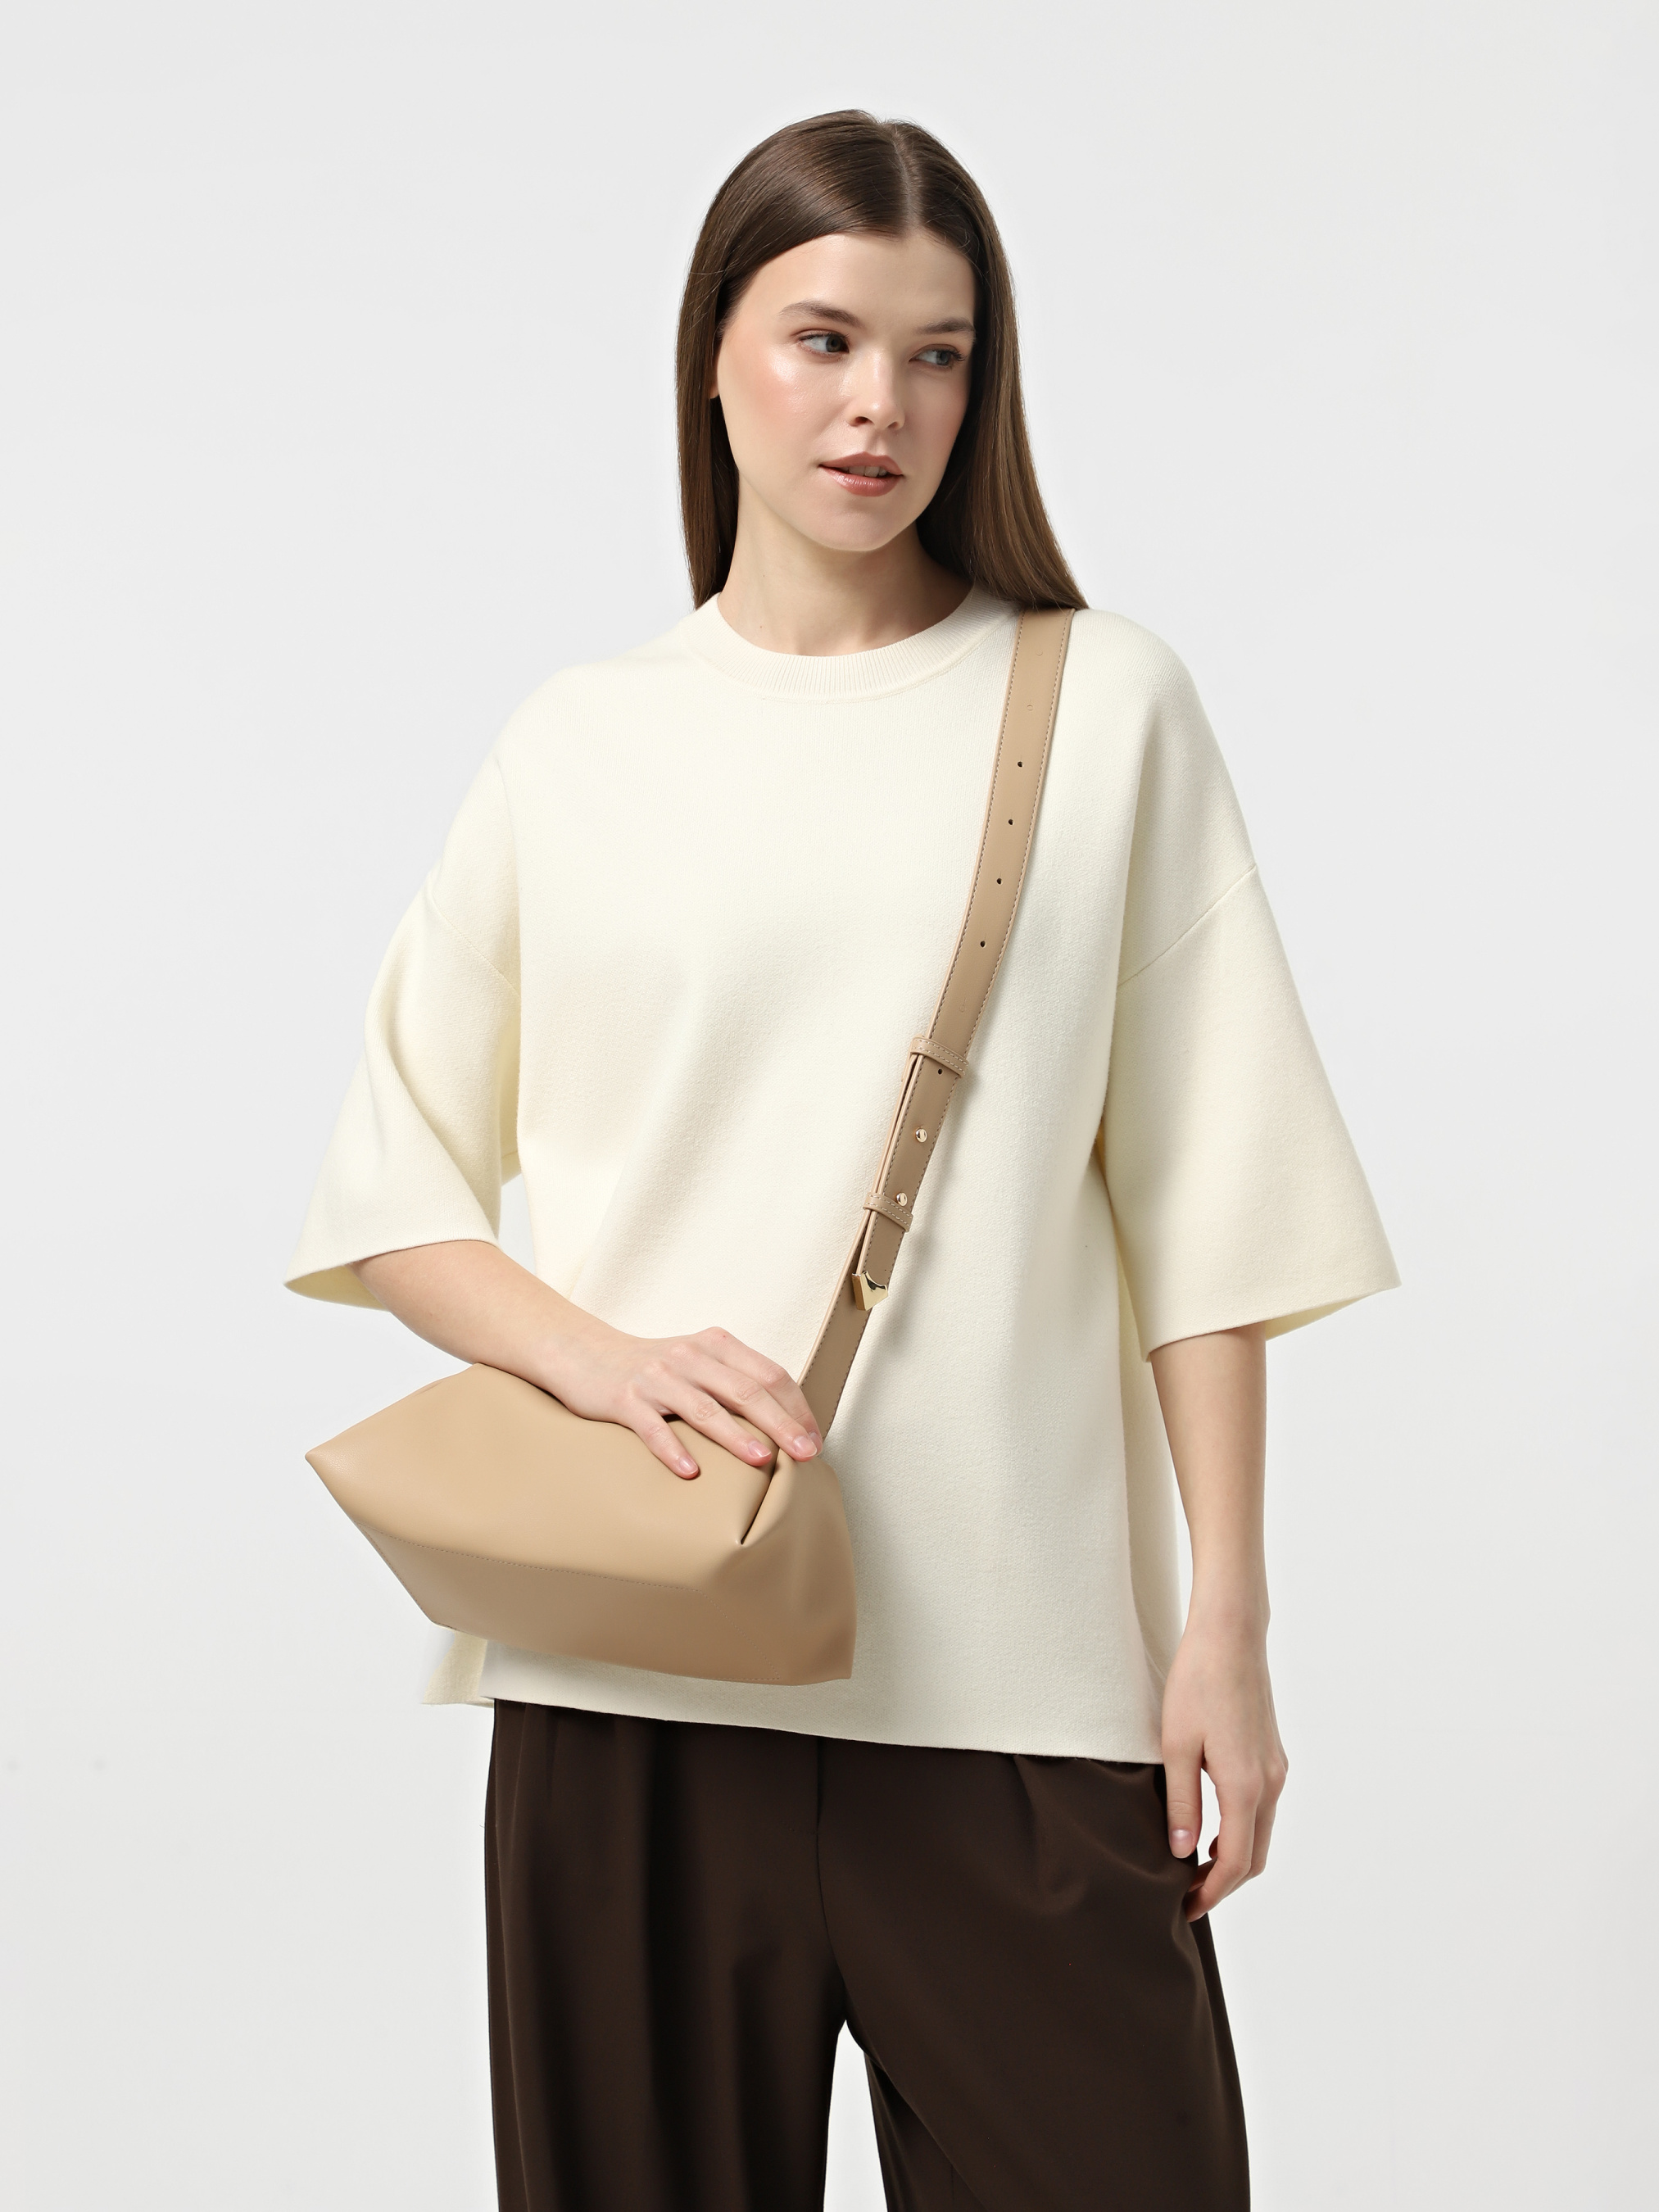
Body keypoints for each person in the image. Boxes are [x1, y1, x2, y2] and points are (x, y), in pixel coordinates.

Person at [287, 109, 1397, 2212]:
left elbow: (1211, 1212)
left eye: (937, 353)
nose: (879, 403)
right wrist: (612, 1365)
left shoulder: (1102, 707)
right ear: (713, 357)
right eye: (822, 339)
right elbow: (396, 1196)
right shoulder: (577, 742)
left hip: (1016, 1686)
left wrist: (1225, 1629)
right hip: (634, 1670)